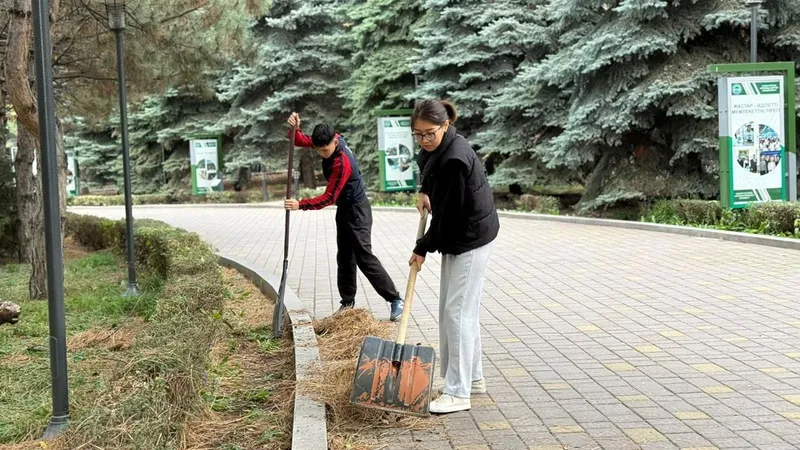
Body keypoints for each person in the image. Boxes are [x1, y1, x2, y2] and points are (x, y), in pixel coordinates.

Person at [408, 99, 500, 414]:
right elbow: (430, 173)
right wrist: (424, 191)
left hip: (470, 237)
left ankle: (458, 392)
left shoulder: (455, 159)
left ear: (446, 125)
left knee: (457, 313)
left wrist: (421, 247)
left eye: (429, 133)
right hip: (460, 235)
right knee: (457, 310)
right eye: (417, 135)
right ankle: (471, 379)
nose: (423, 140)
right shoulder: (439, 148)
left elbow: (447, 218)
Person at [283, 113, 404, 321]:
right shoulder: (327, 140)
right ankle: (347, 304)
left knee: (364, 257)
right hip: (345, 210)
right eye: (319, 149)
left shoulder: (341, 162)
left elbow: (328, 197)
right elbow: (299, 140)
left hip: (357, 210)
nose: (322, 154)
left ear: (335, 141)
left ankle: (395, 300)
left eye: (325, 149)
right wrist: (294, 127)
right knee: (345, 258)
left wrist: (300, 204)